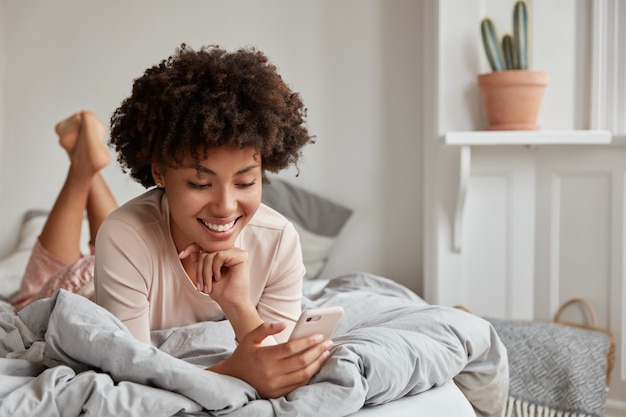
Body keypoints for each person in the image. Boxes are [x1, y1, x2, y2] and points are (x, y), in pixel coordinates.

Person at [94, 43, 331, 399]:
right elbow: (130, 380)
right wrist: (229, 373)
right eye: (200, 183)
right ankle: (85, 165)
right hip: (91, 276)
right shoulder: (124, 236)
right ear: (159, 172)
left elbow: (273, 368)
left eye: (246, 182)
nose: (225, 206)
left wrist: (238, 304)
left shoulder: (279, 239)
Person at [10, 110, 117, 311]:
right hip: (117, 279)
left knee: (35, 294)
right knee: (120, 251)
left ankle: (80, 156)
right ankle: (80, 156)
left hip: (62, 296)